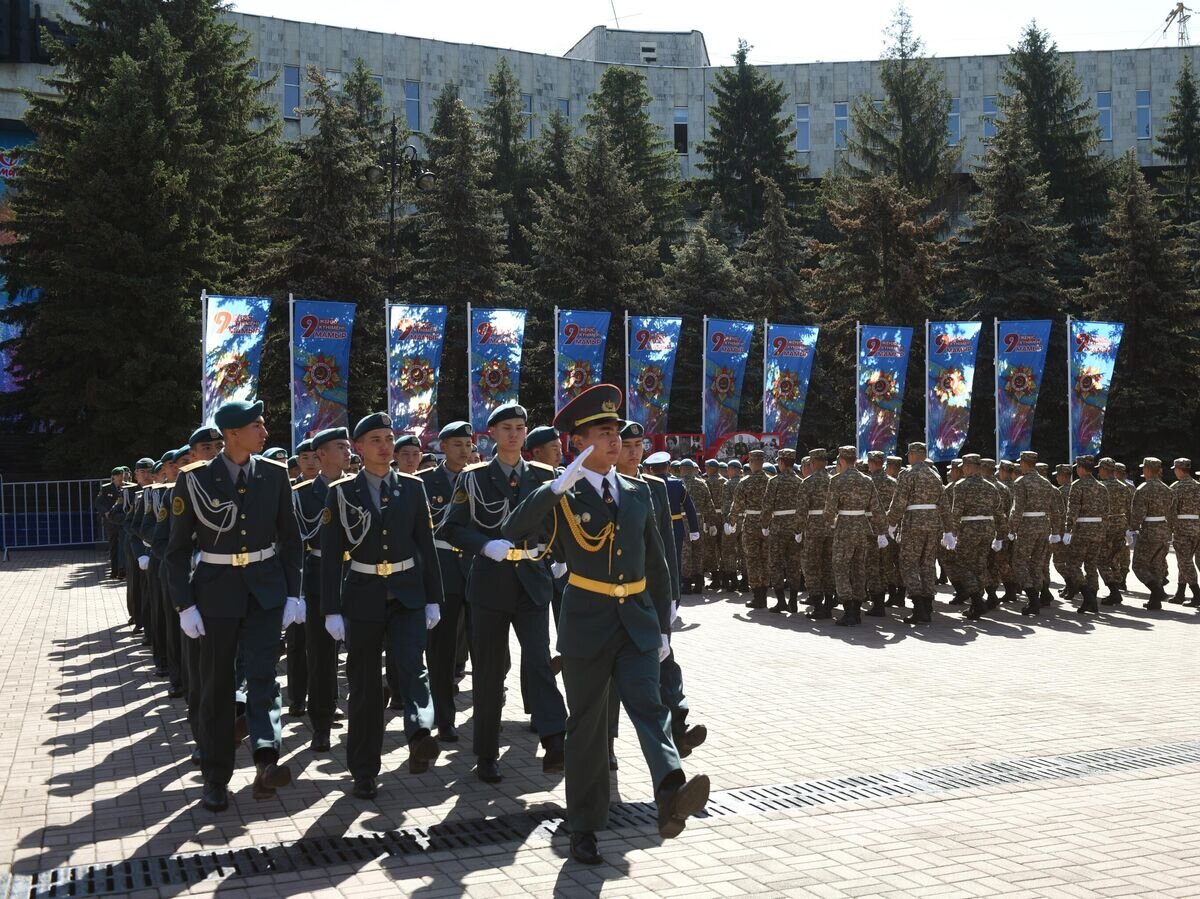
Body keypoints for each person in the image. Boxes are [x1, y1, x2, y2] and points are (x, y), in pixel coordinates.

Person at [502, 384, 709, 866]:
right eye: (602, 431)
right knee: (588, 730)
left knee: (650, 707)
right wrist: (552, 487)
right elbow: (514, 529)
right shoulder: (564, 495)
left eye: (616, 430)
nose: (613, 439)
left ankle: (671, 792)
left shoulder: (639, 492)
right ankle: (585, 827)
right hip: (588, 624)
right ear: (578, 442)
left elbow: (656, 565)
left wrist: (662, 627)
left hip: (636, 623)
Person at [166, 399, 303, 813]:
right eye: (257, 425)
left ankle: (266, 759)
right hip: (215, 595)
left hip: (264, 591)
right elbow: (175, 551)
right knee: (216, 689)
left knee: (263, 676)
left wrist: (293, 593)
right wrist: (183, 604)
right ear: (233, 434)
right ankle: (215, 778)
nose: (264, 431)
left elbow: (291, 539)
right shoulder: (194, 480)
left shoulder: (275, 475)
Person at [442, 402, 567, 784]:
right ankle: (486, 752)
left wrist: (559, 560)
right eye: (507, 427)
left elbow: (557, 527)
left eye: (520, 427)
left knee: (539, 661)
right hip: (490, 583)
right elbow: (450, 528)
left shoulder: (545, 476)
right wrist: (483, 545)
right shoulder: (473, 478)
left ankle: (554, 739)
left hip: (531, 579)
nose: (514, 433)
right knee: (490, 672)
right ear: (492, 433)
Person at [320, 413, 443, 799]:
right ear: (358, 447)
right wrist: (331, 609)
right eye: (375, 439)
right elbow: (329, 557)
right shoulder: (340, 492)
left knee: (412, 667)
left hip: (407, 594)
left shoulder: (413, 487)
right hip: (362, 596)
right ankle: (364, 770)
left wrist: (433, 598)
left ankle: (421, 733)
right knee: (365, 687)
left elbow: (426, 545)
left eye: (389, 438)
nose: (385, 445)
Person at [291, 426, 350, 752]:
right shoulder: (301, 496)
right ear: (322, 454)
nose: (347, 453)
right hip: (316, 579)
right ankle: (321, 723)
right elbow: (295, 547)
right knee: (321, 656)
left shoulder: (358, 488)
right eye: (340, 447)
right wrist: (296, 593)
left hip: (357, 576)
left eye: (347, 447)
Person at [420, 421, 475, 742]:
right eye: (457, 444)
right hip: (442, 571)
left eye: (468, 444)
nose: (464, 450)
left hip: (477, 570)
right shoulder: (424, 482)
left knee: (484, 649)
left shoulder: (480, 478)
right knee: (441, 651)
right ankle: (444, 717)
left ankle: (486, 714)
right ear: (442, 447)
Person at [824, 447, 887, 626]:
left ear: (841, 460)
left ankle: (849, 609)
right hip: (862, 527)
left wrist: (832, 522)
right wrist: (882, 531)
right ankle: (857, 609)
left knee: (841, 567)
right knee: (859, 568)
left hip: (844, 526)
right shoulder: (867, 480)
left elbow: (829, 511)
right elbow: (877, 508)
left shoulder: (836, 480)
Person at [885, 442, 944, 625]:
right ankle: (927, 605)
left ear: (912, 454)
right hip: (933, 523)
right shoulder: (935, 475)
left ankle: (919, 607)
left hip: (914, 523)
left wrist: (891, 523)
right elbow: (943, 504)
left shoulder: (908, 474)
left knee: (909, 564)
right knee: (927, 564)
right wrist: (949, 529)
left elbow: (899, 501)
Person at [942, 454, 1005, 621]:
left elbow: (956, 512)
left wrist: (951, 533)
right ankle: (977, 603)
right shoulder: (991, 486)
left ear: (969, 467)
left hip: (969, 530)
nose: (963, 469)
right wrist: (1001, 535)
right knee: (979, 565)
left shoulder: (961, 486)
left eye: (964, 466)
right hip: (987, 530)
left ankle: (977, 602)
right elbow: (999, 512)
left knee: (963, 565)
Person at [1007, 451, 1063, 616]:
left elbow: (1017, 509)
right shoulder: (1046, 482)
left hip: (1027, 527)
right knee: (1037, 564)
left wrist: (1011, 529)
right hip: (1043, 526)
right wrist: (1056, 530)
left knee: (1018, 562)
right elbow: (1055, 510)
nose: (1019, 466)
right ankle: (1037, 597)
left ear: (1024, 463)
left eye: (1020, 463)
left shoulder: (1021, 482)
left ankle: (1032, 599)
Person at [1060, 455, 1107, 615]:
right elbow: (1105, 512)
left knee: (1073, 565)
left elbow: (1072, 510)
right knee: (1091, 565)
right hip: (1098, 530)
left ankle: (1088, 597)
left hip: (1082, 530)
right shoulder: (1101, 486)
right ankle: (1092, 600)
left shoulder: (1077, 485)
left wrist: (1068, 529)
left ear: (1080, 468)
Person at [727, 450, 771, 609]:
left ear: (751, 463)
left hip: (751, 523)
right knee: (765, 559)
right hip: (767, 523)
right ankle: (764, 594)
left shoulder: (745, 482)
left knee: (752, 560)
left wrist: (731, 522)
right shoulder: (770, 481)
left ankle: (757, 597)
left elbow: (737, 505)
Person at [761, 448, 803, 613]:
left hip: (778, 528)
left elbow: (767, 506)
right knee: (794, 564)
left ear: (781, 462)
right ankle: (793, 601)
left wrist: (764, 525)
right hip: (794, 528)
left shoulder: (775, 481)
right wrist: (800, 527)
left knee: (776, 564)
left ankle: (781, 601)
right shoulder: (800, 481)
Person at [1129, 457, 1172, 610]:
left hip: (1149, 531)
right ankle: (1155, 602)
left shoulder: (1143, 489)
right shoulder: (1167, 489)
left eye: (1143, 468)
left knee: (1139, 566)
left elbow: (1138, 513)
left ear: (1147, 470)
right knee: (1156, 566)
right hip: (1164, 531)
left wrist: (1132, 528)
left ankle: (1158, 592)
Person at [797, 448, 835, 619]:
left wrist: (798, 529)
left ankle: (818, 605)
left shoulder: (808, 482)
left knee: (811, 566)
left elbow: (801, 511)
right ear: (826, 462)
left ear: (812, 463)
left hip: (813, 529)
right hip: (832, 528)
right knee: (828, 566)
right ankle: (829, 603)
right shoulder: (835, 480)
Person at [863, 451, 898, 617]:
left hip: (870, 529)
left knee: (872, 567)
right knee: (886, 565)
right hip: (888, 529)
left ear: (871, 463)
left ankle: (877, 604)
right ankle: (886, 597)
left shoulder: (867, 482)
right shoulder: (893, 482)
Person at [1097, 457, 1132, 605]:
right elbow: (1130, 509)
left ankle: (1114, 591)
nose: (1098, 471)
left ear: (1105, 470)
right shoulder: (1124, 487)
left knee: (1101, 560)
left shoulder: (1100, 486)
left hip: (1106, 526)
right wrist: (1130, 527)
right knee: (1114, 558)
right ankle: (1117, 585)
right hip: (1121, 525)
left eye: (1100, 469)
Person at [677, 459, 713, 594]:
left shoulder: (678, 483)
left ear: (681, 469)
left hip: (682, 520)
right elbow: (709, 505)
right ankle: (698, 583)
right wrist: (711, 522)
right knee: (698, 551)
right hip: (698, 520)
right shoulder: (702, 484)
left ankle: (686, 584)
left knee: (685, 552)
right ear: (693, 470)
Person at [1169, 458, 1200, 606]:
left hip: (1182, 528)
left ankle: (1197, 594)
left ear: (1179, 470)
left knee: (1185, 561)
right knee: (1185, 560)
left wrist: (1169, 527)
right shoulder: (1198, 486)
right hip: (1197, 528)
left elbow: (1171, 510)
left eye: (1175, 469)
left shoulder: (1177, 487)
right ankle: (1180, 593)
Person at [95, 468, 126, 579]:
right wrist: (106, 512)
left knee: (124, 545)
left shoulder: (128, 487)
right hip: (111, 521)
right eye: (118, 475)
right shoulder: (106, 488)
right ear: (113, 477)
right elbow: (98, 503)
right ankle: (114, 570)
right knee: (114, 545)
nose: (120, 477)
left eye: (122, 474)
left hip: (123, 520)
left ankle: (123, 570)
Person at [701, 460, 726, 591]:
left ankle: (715, 578)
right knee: (724, 548)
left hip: (711, 517)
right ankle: (726, 578)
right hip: (723, 517)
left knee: (710, 549)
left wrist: (707, 520)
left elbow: (706, 502)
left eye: (706, 467)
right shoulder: (725, 482)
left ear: (712, 468)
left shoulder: (707, 482)